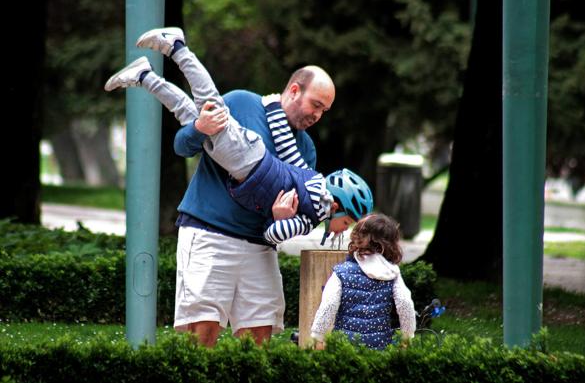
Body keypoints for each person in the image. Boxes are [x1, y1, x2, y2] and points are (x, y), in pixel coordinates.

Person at [104, 27, 362, 347]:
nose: (318, 115)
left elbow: (286, 210)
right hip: (210, 233)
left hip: (259, 248)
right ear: (295, 90)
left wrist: (280, 219)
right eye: (316, 104)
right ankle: (172, 52)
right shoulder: (242, 102)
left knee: (260, 336)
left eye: (325, 110)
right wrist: (199, 128)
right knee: (202, 334)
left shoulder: (306, 149)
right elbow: (182, 146)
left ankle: (146, 75)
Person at [310, 213, 416, 350]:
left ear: (356, 239)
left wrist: (318, 336)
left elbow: (329, 305)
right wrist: (407, 336)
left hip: (345, 346)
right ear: (390, 244)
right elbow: (405, 304)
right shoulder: (392, 274)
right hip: (380, 346)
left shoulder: (342, 272)